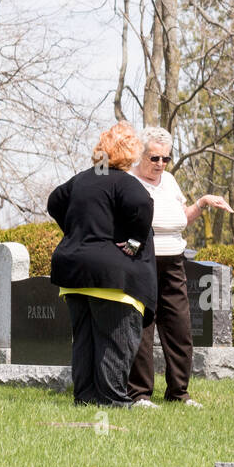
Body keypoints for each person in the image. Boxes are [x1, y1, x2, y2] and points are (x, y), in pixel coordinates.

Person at [47, 122, 158, 407]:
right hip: (110, 279)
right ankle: (113, 402)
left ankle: (83, 398)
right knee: (115, 342)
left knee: (83, 341)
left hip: (72, 275)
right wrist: (134, 243)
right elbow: (144, 207)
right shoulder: (124, 182)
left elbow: (54, 201)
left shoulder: (82, 179)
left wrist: (76, 233)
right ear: (131, 154)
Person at [126, 126, 233, 409]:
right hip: (142, 261)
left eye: (165, 159)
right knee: (143, 328)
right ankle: (139, 394)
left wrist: (202, 203)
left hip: (174, 260)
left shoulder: (170, 181)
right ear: (141, 155)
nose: (160, 164)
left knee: (180, 327)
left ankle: (179, 393)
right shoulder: (128, 181)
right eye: (154, 158)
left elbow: (181, 219)